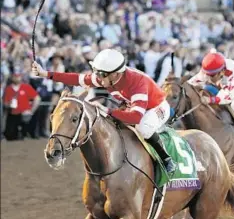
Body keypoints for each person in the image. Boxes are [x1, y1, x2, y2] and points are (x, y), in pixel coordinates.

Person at [32, 48, 176, 174]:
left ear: (115, 74)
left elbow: (135, 118)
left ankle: (166, 159)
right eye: (97, 72)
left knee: (143, 128)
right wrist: (45, 74)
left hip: (156, 107)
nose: (98, 77)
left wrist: (107, 110)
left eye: (101, 74)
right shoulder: (106, 77)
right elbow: (76, 79)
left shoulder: (137, 82)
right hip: (133, 105)